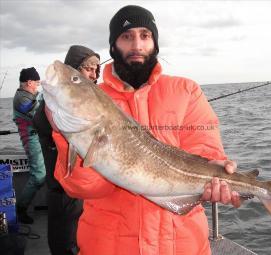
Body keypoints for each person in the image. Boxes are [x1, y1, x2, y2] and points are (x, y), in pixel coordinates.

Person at [52, 5, 241, 255]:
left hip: (183, 243)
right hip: (109, 245)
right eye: (126, 36)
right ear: (113, 45)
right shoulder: (95, 99)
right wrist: (67, 135)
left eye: (145, 35)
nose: (137, 45)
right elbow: (83, 188)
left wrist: (216, 171)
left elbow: (204, 149)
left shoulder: (187, 90)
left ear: (155, 42)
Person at [33, 45, 100, 255]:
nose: (94, 74)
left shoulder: (90, 99)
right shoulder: (54, 103)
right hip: (62, 189)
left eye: (96, 70)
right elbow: (41, 121)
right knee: (65, 240)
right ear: (73, 70)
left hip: (84, 187)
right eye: (88, 68)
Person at [13, 67, 45, 224]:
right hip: (31, 139)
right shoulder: (21, 99)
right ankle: (21, 209)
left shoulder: (29, 95)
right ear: (29, 82)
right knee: (39, 176)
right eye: (37, 83)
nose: (37, 86)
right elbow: (37, 112)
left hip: (40, 137)